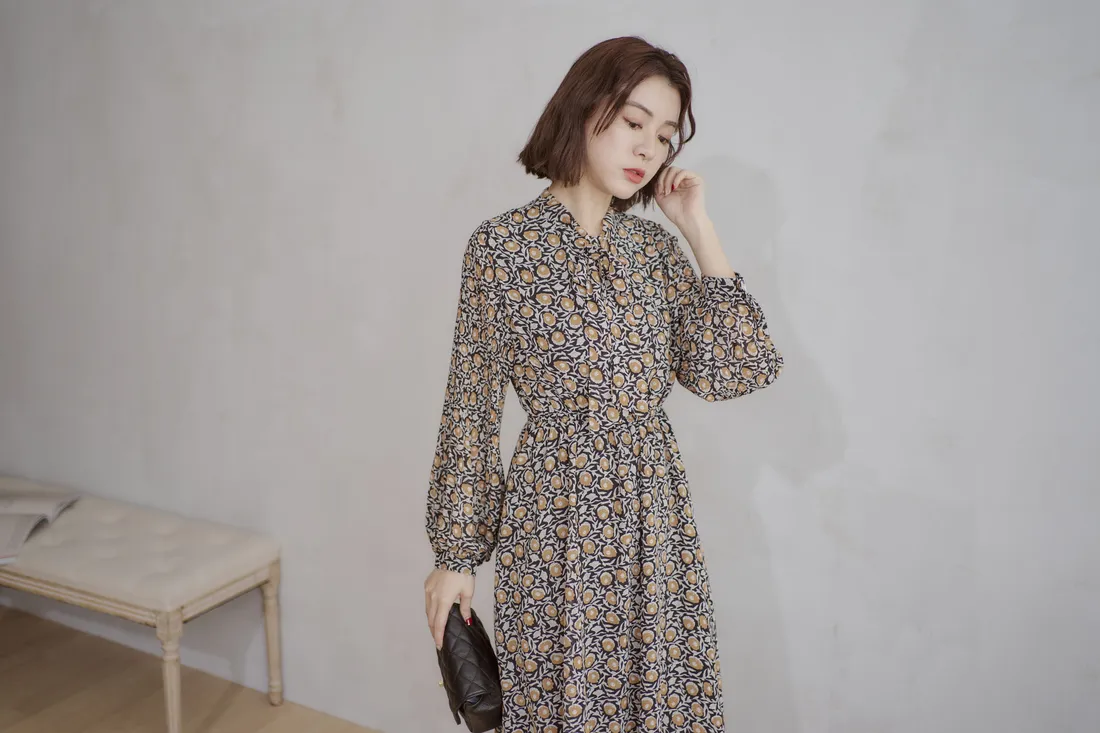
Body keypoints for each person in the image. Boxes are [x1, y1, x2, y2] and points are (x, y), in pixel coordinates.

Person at [423, 35, 784, 733]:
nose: (649, 147)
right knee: (564, 700)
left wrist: (698, 229)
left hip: (655, 515)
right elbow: (470, 406)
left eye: (665, 135)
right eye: (633, 121)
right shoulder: (502, 247)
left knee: (662, 701)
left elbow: (737, 368)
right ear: (585, 108)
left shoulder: (654, 249)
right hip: (553, 515)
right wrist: (456, 556)